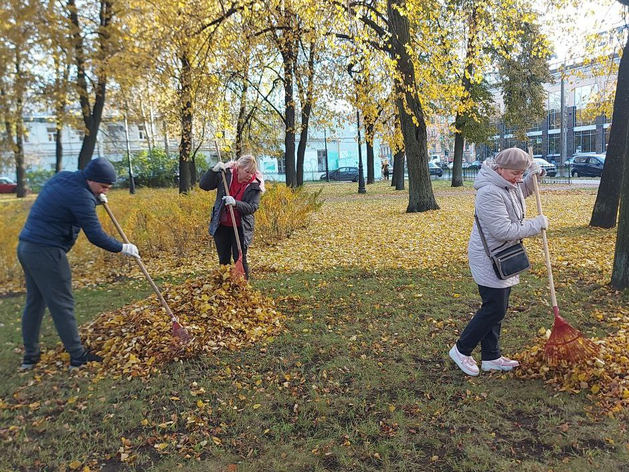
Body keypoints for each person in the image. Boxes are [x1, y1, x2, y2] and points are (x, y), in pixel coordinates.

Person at [17, 157, 140, 370]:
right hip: (47, 251)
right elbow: (95, 235)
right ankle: (77, 357)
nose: (106, 191)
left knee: (35, 302)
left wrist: (95, 197)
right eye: (103, 186)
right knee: (62, 304)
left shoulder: (64, 177)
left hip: (27, 246)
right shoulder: (82, 196)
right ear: (90, 179)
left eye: (108, 188)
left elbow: (68, 200)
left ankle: (31, 356)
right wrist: (122, 247)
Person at [449, 147, 547, 376]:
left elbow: (520, 193)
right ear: (500, 168)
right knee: (494, 309)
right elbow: (503, 230)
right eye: (515, 173)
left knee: (497, 308)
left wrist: (533, 178)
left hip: (503, 256)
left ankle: (491, 357)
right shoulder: (489, 192)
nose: (518, 178)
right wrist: (537, 224)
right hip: (489, 258)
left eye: (521, 173)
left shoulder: (507, 185)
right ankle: (461, 350)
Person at [199, 154, 265, 279]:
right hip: (221, 225)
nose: (250, 176)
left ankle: (243, 287)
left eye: (252, 173)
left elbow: (252, 208)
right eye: (247, 172)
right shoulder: (225, 175)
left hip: (241, 227)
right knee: (223, 259)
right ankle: (226, 287)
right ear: (238, 167)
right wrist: (213, 171)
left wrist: (236, 203)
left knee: (239, 258)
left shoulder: (255, 185)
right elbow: (204, 185)